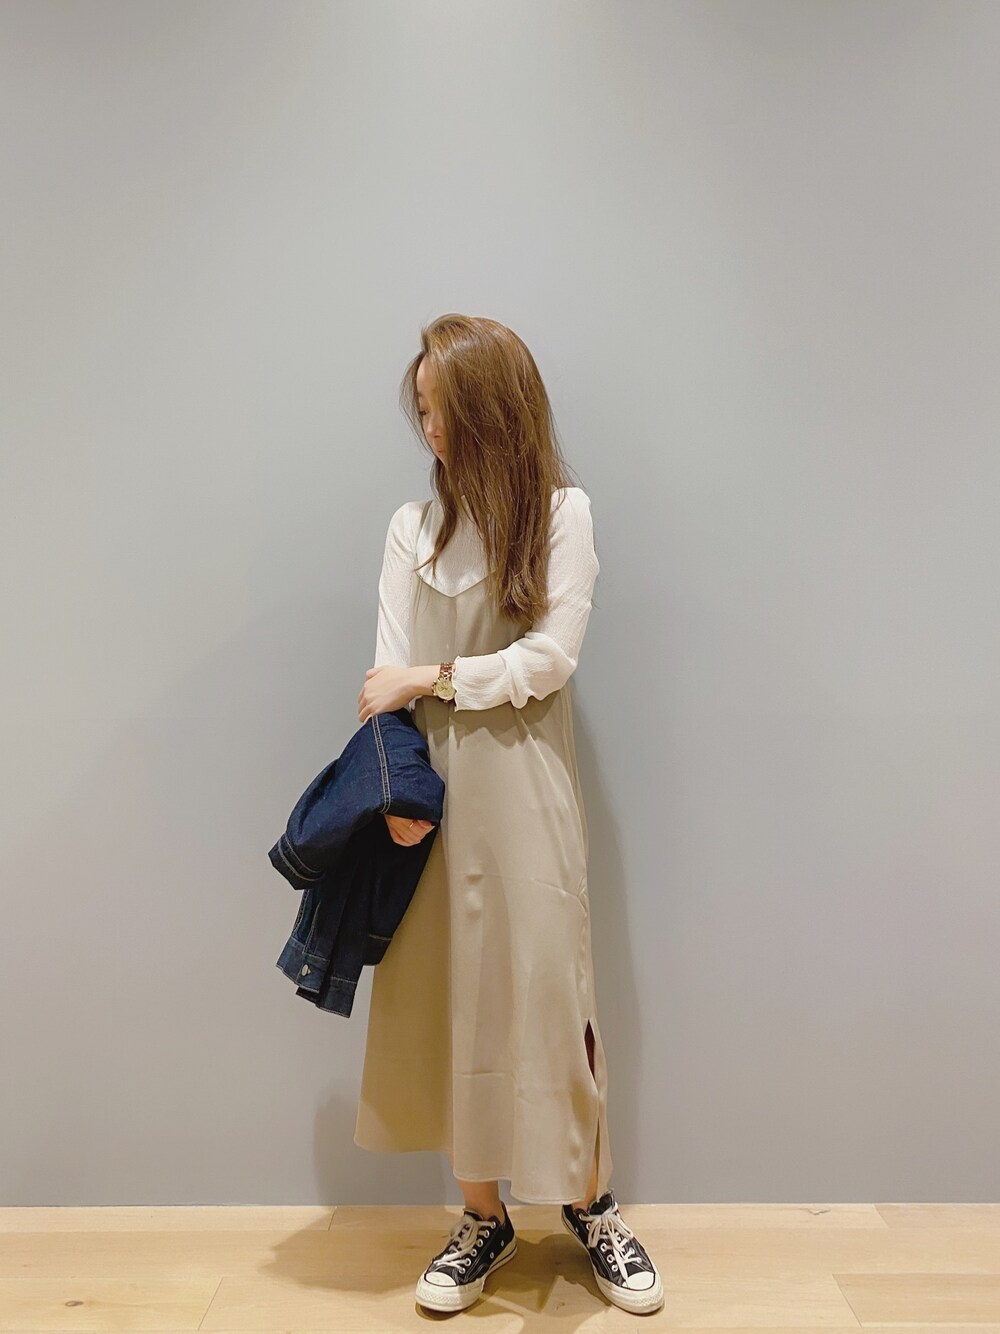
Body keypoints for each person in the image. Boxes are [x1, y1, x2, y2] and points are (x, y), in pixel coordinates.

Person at [353, 314, 663, 1316]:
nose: (430, 429)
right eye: (422, 410)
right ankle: (480, 1215)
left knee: (548, 991)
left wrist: (434, 677)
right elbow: (383, 678)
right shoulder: (412, 529)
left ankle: (590, 1204)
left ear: (493, 407)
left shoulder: (562, 514)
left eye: (443, 408)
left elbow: (548, 661)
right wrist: (396, 785)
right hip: (431, 802)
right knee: (450, 998)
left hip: (525, 790)